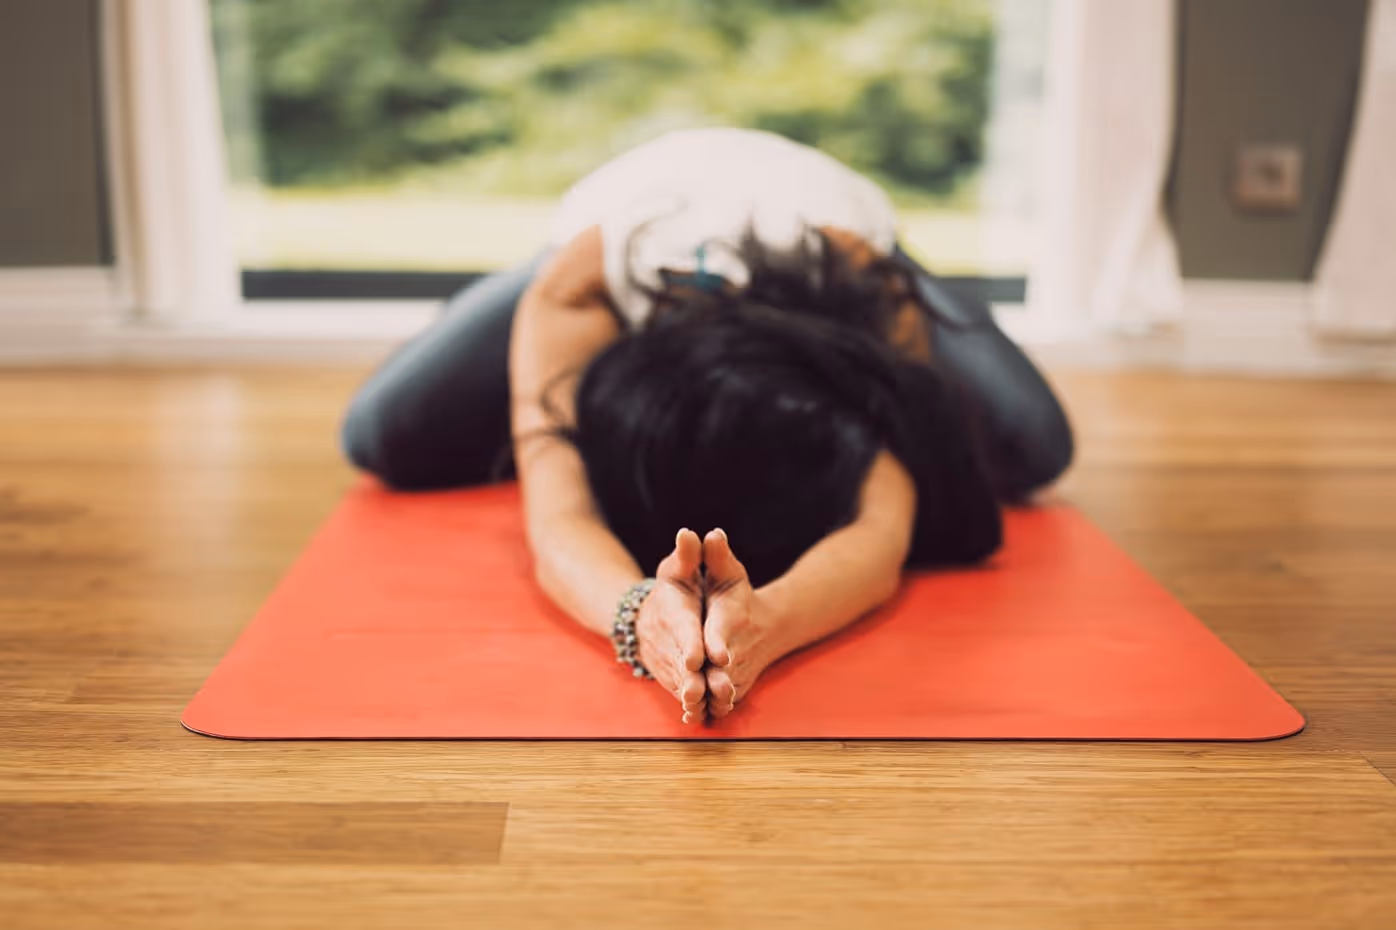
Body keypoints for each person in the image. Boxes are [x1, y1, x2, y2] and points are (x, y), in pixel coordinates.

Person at [340, 127, 1073, 726]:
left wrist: (764, 626)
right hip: (620, 205)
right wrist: (639, 619)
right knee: (380, 436)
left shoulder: (860, 286)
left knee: (1034, 445)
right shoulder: (582, 286)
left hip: (836, 218)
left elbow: (884, 526)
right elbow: (557, 514)